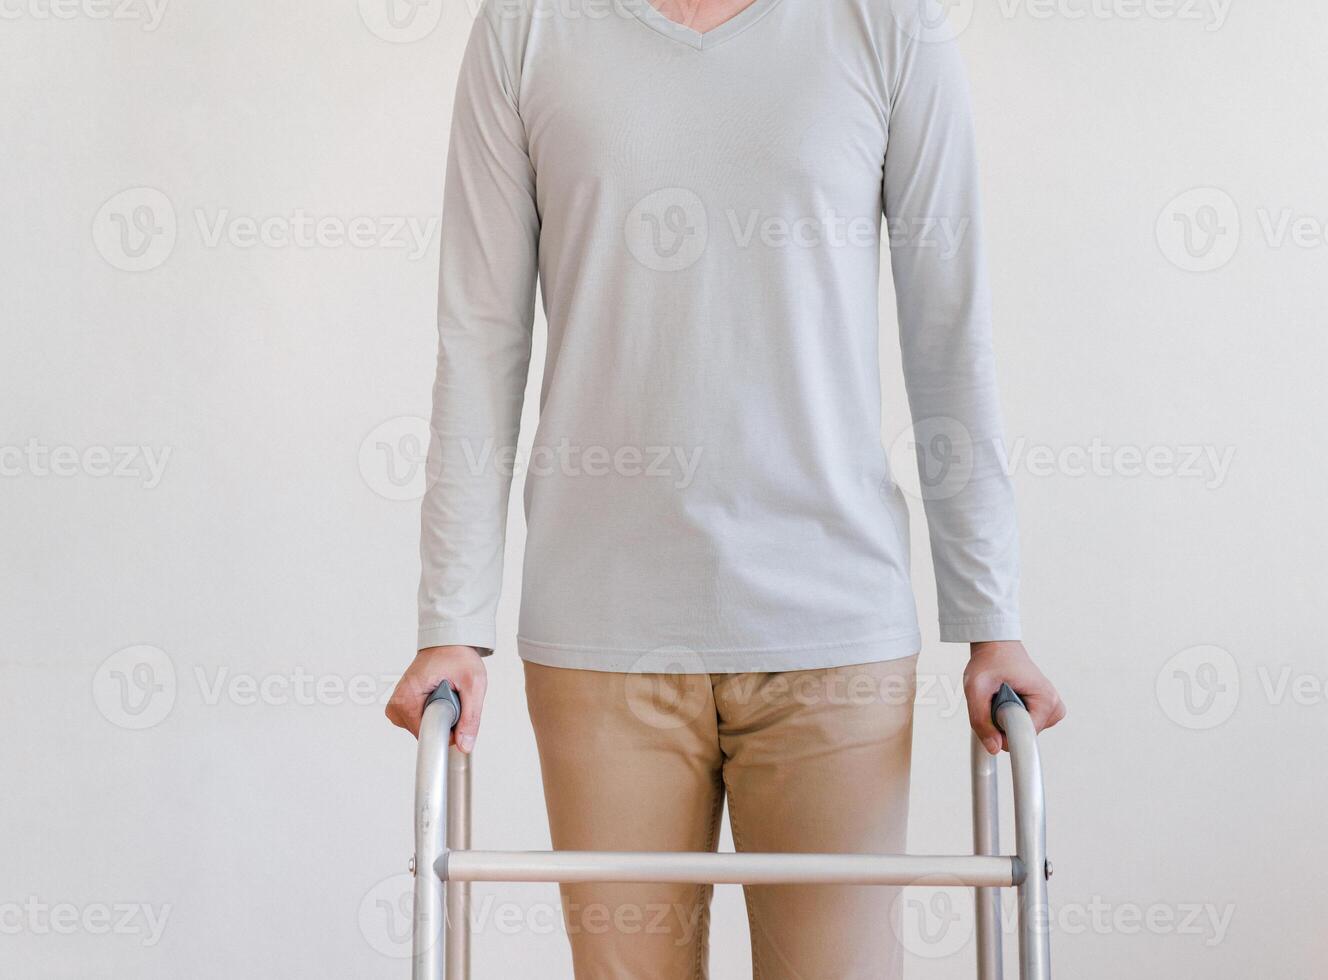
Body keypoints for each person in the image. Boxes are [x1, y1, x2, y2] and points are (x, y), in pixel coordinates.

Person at [387, 0, 1065, 975]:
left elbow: (948, 329)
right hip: (603, 634)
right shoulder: (529, 27)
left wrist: (990, 616)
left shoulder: (886, 25)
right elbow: (480, 335)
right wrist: (450, 620)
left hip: (833, 629)